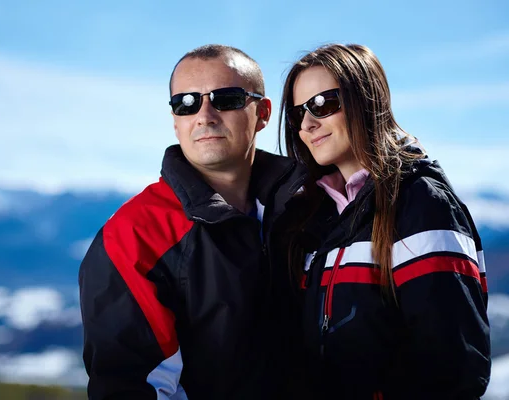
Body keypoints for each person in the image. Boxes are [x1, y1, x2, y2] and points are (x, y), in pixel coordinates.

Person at [78, 44, 307, 399]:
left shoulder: (310, 208)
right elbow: (130, 388)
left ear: (262, 113)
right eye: (186, 102)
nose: (204, 115)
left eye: (226, 98)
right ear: (175, 121)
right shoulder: (134, 236)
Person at [278, 43, 491, 399]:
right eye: (299, 113)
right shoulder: (315, 218)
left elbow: (452, 366)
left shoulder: (420, 203)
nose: (307, 124)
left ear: (365, 100)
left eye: (322, 104)